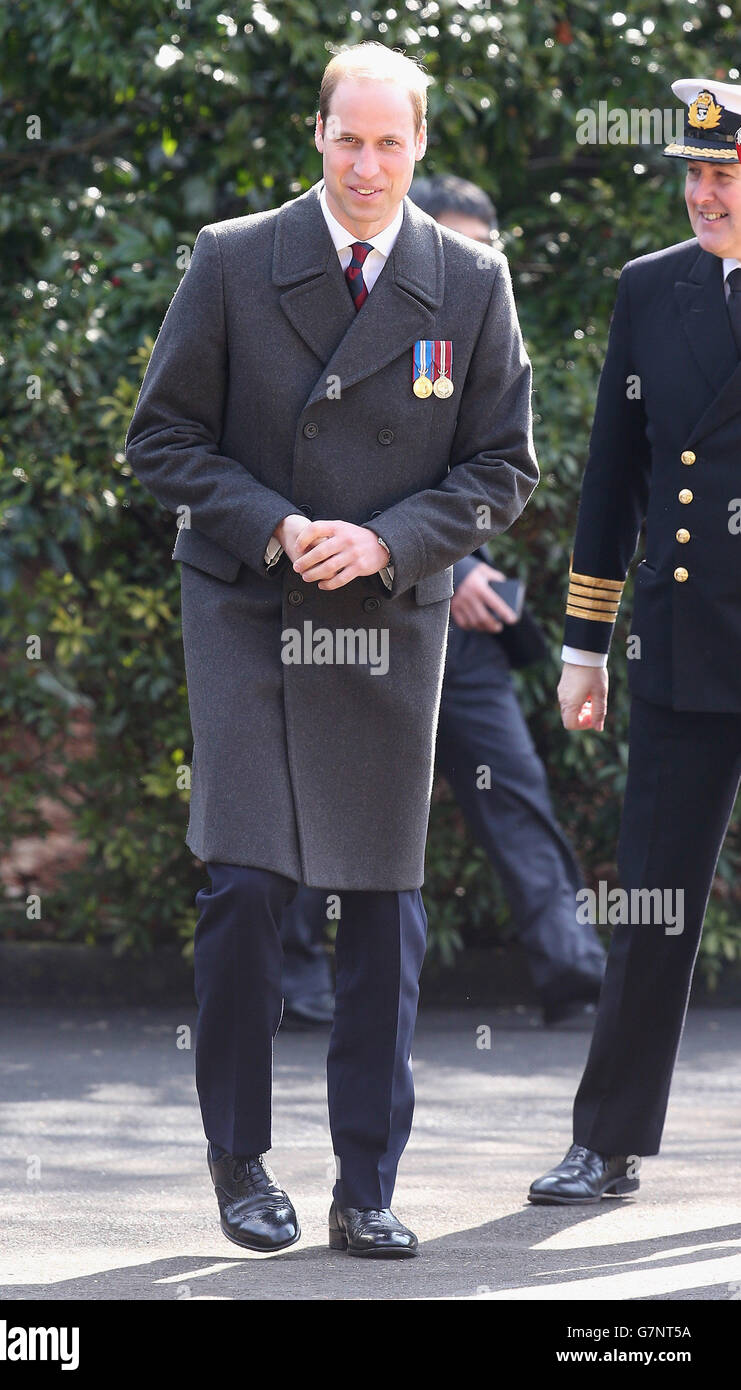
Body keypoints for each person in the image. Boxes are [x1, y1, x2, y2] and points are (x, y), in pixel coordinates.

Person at [126, 40, 538, 1258]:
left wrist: (392, 540)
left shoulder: (469, 282)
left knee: (382, 899)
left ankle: (367, 1181)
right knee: (248, 882)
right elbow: (164, 443)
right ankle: (240, 1156)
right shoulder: (235, 258)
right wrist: (285, 525)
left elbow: (502, 467)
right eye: (348, 139)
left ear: (421, 144)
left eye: (391, 143)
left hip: (384, 614)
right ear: (318, 134)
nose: (368, 165)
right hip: (251, 602)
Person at [279, 176, 605, 1030]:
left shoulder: (483, 323)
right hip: (359, 607)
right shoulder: (357, 316)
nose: (466, 261)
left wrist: (467, 570)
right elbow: (338, 463)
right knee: (336, 789)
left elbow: (491, 471)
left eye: (481, 247)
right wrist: (450, 573)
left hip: (460, 625)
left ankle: (572, 969)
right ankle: (296, 974)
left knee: (514, 790)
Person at [529, 78, 741, 1205]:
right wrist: (583, 647)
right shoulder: (650, 290)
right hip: (683, 642)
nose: (706, 192)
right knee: (654, 902)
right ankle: (606, 1140)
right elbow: (614, 475)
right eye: (695, 173)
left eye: (727, 172)